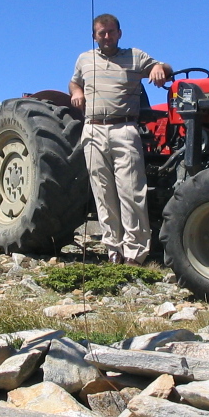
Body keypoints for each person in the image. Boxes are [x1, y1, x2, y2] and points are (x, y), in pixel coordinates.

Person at [70, 14, 172, 265]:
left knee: (131, 191)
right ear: (94, 36)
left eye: (111, 32)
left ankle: (135, 253)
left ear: (119, 33)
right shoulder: (84, 59)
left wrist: (159, 68)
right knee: (103, 192)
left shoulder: (135, 56)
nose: (107, 36)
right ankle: (113, 250)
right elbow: (74, 83)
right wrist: (77, 91)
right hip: (93, 129)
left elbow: (164, 68)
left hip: (124, 128)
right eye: (101, 33)